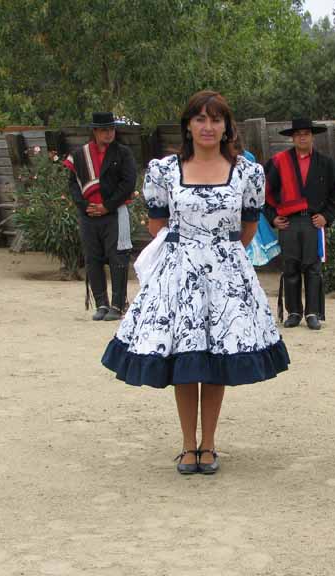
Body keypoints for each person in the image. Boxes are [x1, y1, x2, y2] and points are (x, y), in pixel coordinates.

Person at [101, 91, 290, 475]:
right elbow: (158, 226)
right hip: (178, 275)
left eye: (216, 119)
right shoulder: (165, 171)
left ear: (226, 127)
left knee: (216, 357)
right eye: (200, 119)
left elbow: (249, 228)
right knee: (185, 359)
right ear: (188, 125)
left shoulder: (247, 172)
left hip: (226, 276)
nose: (208, 126)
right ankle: (188, 446)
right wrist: (190, 254)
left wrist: (219, 259)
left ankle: (209, 445)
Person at [264, 118, 335, 331]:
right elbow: (263, 192)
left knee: (313, 269)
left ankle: (313, 313)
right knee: (290, 268)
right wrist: (272, 218)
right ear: (292, 137)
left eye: (306, 133)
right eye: (298, 134)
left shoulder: (325, 163)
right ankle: (294, 312)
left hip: (313, 223)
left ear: (312, 136)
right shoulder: (279, 162)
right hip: (289, 223)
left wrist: (326, 217)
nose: (302, 137)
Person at [64, 112, 137, 321]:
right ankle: (101, 304)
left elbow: (128, 183)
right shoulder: (80, 155)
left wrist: (107, 206)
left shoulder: (123, 153)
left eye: (111, 129)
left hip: (115, 213)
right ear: (95, 131)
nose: (109, 133)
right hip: (89, 215)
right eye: (104, 129)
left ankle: (118, 304)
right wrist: (85, 206)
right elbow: (73, 184)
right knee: (92, 258)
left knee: (118, 256)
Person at [232, 139, 281, 266]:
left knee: (249, 251)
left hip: (246, 207)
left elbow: (254, 188)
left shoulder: (248, 157)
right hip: (228, 212)